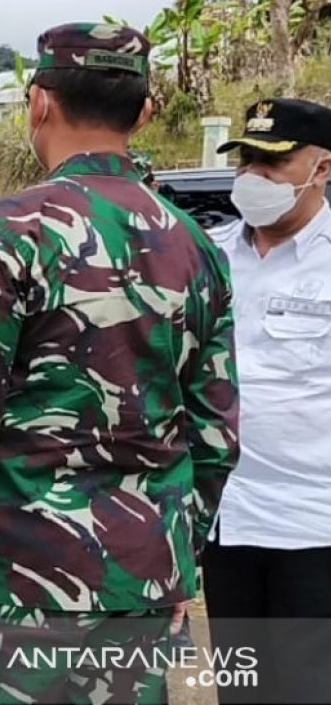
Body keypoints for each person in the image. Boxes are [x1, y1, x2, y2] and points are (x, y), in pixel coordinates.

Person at [0, 23, 240, 704]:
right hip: (139, 581)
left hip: (10, 583)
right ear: (145, 111)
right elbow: (216, 435)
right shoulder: (197, 246)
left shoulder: (9, 233)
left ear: (39, 102)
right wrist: (172, 561)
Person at [204, 98, 331, 704]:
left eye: (273, 163)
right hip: (228, 520)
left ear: (323, 168)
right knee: (242, 688)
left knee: (308, 689)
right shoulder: (211, 257)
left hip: (315, 524)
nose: (253, 176)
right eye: (247, 160)